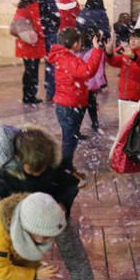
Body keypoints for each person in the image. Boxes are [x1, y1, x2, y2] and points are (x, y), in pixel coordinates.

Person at [0, 125, 104, 280]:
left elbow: (70, 186)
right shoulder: (7, 171)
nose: (37, 174)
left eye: (42, 170)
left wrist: (63, 204)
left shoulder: (57, 166)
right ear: (18, 159)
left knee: (73, 250)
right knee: (17, 261)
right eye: (32, 170)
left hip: (54, 217)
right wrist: (9, 211)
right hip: (23, 224)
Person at [47, 27, 104, 173]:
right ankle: (64, 171)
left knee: (70, 137)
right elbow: (87, 71)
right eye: (79, 41)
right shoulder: (67, 59)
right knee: (69, 140)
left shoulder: (64, 56)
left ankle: (67, 168)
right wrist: (97, 50)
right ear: (74, 44)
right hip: (69, 105)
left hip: (69, 104)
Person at [106, 28, 140, 137]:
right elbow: (115, 62)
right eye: (131, 39)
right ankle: (125, 151)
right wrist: (109, 54)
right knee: (124, 127)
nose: (132, 41)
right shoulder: (128, 53)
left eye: (136, 39)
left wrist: (134, 57)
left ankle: (133, 150)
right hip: (123, 96)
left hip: (137, 97)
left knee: (134, 128)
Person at [14, 0, 47, 105]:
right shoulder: (32, 6)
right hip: (32, 45)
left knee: (28, 71)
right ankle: (30, 96)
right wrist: (41, 34)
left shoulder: (21, 6)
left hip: (24, 44)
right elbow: (37, 25)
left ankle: (27, 95)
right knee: (32, 71)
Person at [33, 0, 61, 102]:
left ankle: (30, 93)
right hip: (48, 31)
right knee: (50, 61)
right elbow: (54, 13)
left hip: (33, 33)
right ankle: (50, 92)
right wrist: (54, 26)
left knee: (32, 64)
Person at [79, 30, 108, 135]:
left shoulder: (80, 51)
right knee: (91, 105)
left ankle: (77, 129)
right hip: (91, 84)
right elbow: (99, 70)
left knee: (83, 107)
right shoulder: (97, 52)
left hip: (81, 84)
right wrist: (103, 84)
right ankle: (94, 123)